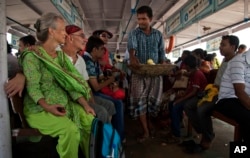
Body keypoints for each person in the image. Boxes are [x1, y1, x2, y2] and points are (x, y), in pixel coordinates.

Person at [20, 13, 94, 158]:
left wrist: (85, 104)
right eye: (62, 30)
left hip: (63, 104)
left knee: (90, 122)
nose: (66, 34)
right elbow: (33, 88)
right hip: (39, 109)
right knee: (70, 130)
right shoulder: (32, 56)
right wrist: (48, 106)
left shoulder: (60, 57)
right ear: (51, 31)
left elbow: (71, 84)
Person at [183, 35, 239, 151]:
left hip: (224, 95)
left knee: (201, 109)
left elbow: (237, 86)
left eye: (223, 45)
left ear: (233, 47)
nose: (220, 48)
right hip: (213, 91)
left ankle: (207, 137)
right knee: (188, 105)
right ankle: (205, 132)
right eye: (220, 45)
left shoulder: (237, 63)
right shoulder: (225, 59)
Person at [62, 24, 116, 123]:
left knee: (109, 105)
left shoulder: (81, 60)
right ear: (70, 38)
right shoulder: (58, 57)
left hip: (82, 96)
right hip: (69, 98)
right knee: (102, 111)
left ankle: (107, 135)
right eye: (82, 36)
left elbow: (86, 85)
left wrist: (91, 101)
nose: (85, 40)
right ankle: (100, 136)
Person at [127, 5, 165, 142]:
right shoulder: (134, 34)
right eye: (139, 19)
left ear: (151, 19)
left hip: (155, 74)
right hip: (139, 74)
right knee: (140, 101)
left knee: (151, 102)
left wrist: (163, 63)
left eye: (144, 19)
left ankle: (149, 125)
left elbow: (162, 54)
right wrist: (132, 56)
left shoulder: (158, 35)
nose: (141, 21)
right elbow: (132, 48)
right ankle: (146, 131)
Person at [83, 36, 125, 142]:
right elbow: (96, 87)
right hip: (90, 94)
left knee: (116, 102)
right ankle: (117, 135)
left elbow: (101, 78)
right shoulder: (88, 62)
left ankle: (112, 133)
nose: (104, 52)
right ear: (94, 49)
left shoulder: (95, 61)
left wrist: (110, 81)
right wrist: (110, 80)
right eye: (102, 49)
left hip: (94, 92)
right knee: (116, 103)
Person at [167, 55, 207, 143]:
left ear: (188, 66)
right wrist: (174, 74)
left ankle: (176, 135)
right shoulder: (193, 72)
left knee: (175, 106)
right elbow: (184, 73)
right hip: (192, 95)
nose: (184, 66)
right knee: (171, 104)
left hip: (197, 97)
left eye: (185, 65)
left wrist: (180, 99)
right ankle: (178, 124)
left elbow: (193, 92)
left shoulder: (197, 74)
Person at [215, 43, 250, 143]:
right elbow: (239, 92)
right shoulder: (238, 61)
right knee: (247, 118)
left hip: (243, 98)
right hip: (228, 99)